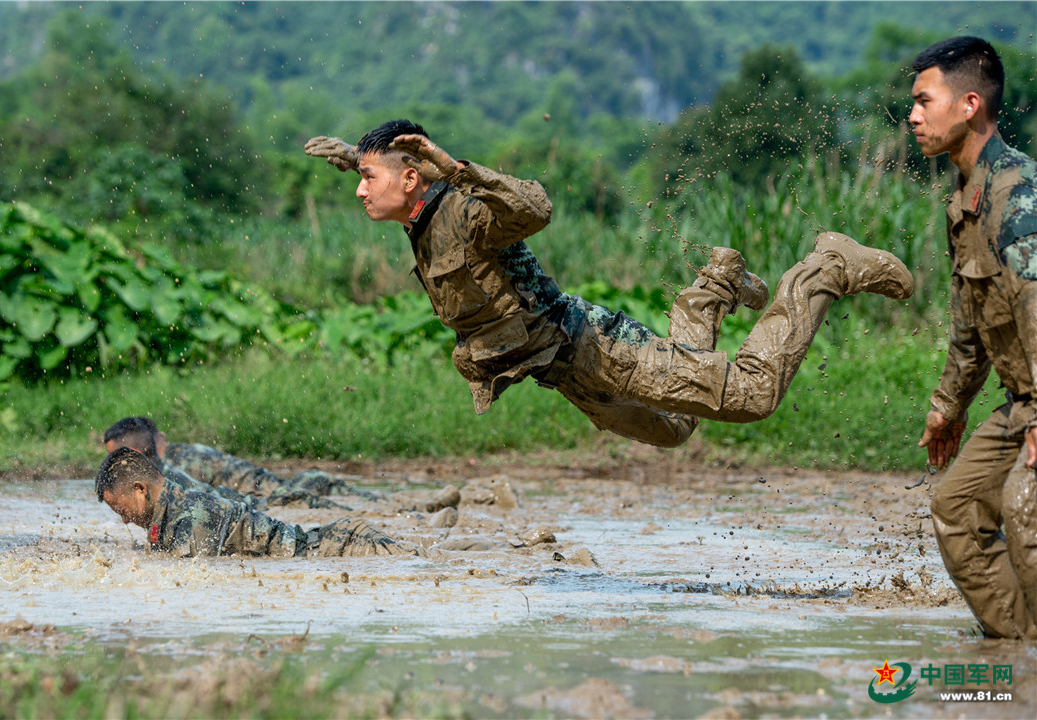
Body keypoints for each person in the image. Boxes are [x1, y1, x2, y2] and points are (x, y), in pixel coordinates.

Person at [303, 120, 914, 448]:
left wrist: (458, 169)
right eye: (356, 176)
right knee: (673, 430)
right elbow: (390, 182)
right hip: (571, 376)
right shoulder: (420, 216)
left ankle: (826, 267)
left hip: (599, 349)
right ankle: (712, 287)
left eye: (367, 177)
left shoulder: (463, 209)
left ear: (412, 177)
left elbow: (534, 208)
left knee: (753, 397)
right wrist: (353, 159)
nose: (360, 189)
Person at [908, 37, 1037, 639]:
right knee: (956, 507)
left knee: (1024, 512)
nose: (912, 115)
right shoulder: (965, 203)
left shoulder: (1020, 196)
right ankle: (1019, 654)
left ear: (968, 105)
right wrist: (947, 409)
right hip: (1022, 404)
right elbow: (971, 327)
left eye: (922, 100)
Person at [95, 447, 418, 558]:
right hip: (339, 543)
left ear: (140, 489)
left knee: (433, 560)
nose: (124, 520)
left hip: (348, 547)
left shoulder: (190, 516)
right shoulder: (167, 515)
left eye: (121, 509)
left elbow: (190, 586)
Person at [102, 416, 368, 509]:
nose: (111, 462)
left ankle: (364, 500)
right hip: (239, 491)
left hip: (248, 491)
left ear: (134, 452)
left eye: (114, 454)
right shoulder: (165, 465)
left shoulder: (169, 472)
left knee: (296, 494)